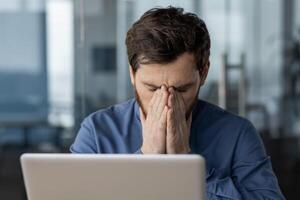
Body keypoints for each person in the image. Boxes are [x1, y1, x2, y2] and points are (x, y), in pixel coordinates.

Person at [70, 6, 285, 199]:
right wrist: (145, 160)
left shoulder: (237, 134)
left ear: (203, 73)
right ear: (132, 74)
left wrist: (187, 164)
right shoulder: (97, 132)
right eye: (152, 88)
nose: (165, 101)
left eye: (181, 89)